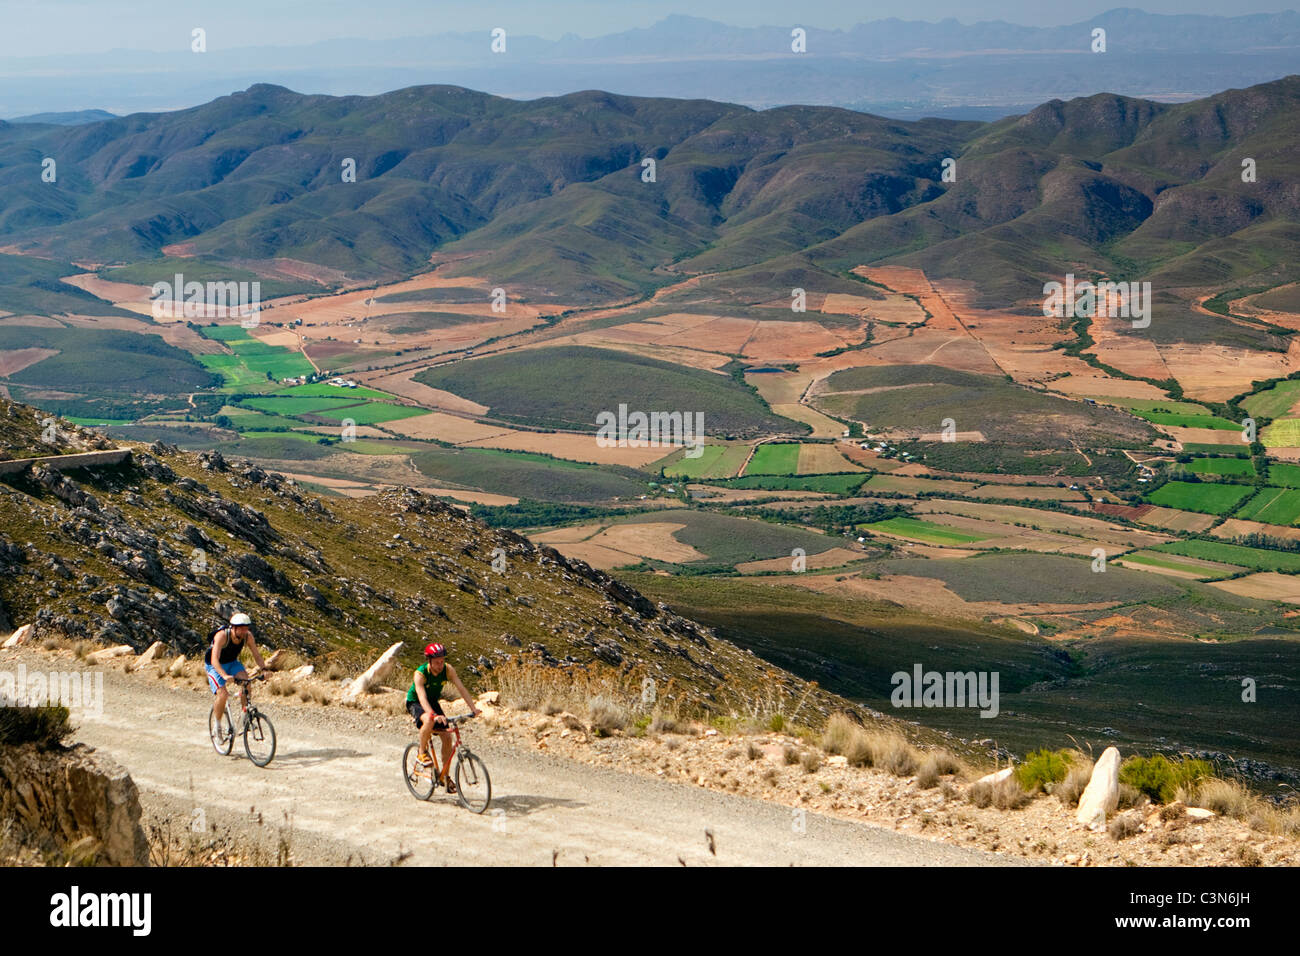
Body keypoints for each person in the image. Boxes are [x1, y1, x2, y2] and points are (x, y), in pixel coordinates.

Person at [407, 643, 479, 792]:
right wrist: (433, 715)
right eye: (437, 662)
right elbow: (421, 697)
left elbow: (461, 688)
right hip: (416, 702)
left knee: (447, 737)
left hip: (432, 701)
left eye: (442, 661)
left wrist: (473, 708)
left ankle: (445, 777)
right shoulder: (420, 674)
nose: (440, 665)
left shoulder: (448, 670)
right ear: (429, 661)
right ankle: (421, 753)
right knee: (428, 719)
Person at [206, 612, 268, 740]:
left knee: (247, 683)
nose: (245, 631)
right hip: (215, 666)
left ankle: (245, 719)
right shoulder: (222, 636)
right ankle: (217, 725)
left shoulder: (247, 637)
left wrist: (264, 669)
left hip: (233, 663)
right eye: (242, 628)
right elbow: (214, 659)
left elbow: (256, 655)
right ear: (233, 627)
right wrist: (224, 675)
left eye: (247, 628)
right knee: (222, 694)